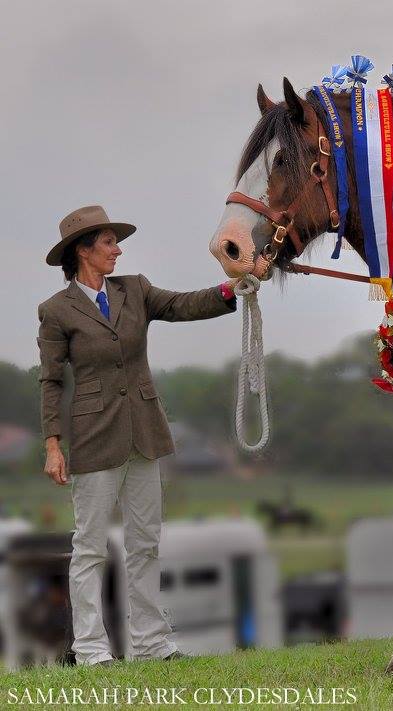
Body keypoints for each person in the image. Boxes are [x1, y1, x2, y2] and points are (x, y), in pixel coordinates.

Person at [37, 205, 238, 666]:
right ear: (83, 251)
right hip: (92, 438)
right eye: (108, 242)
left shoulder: (136, 290)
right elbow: (50, 381)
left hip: (144, 433)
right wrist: (52, 444)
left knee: (145, 543)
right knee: (89, 547)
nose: (118, 249)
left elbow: (184, 305)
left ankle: (151, 645)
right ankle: (90, 651)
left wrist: (235, 289)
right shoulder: (55, 311)